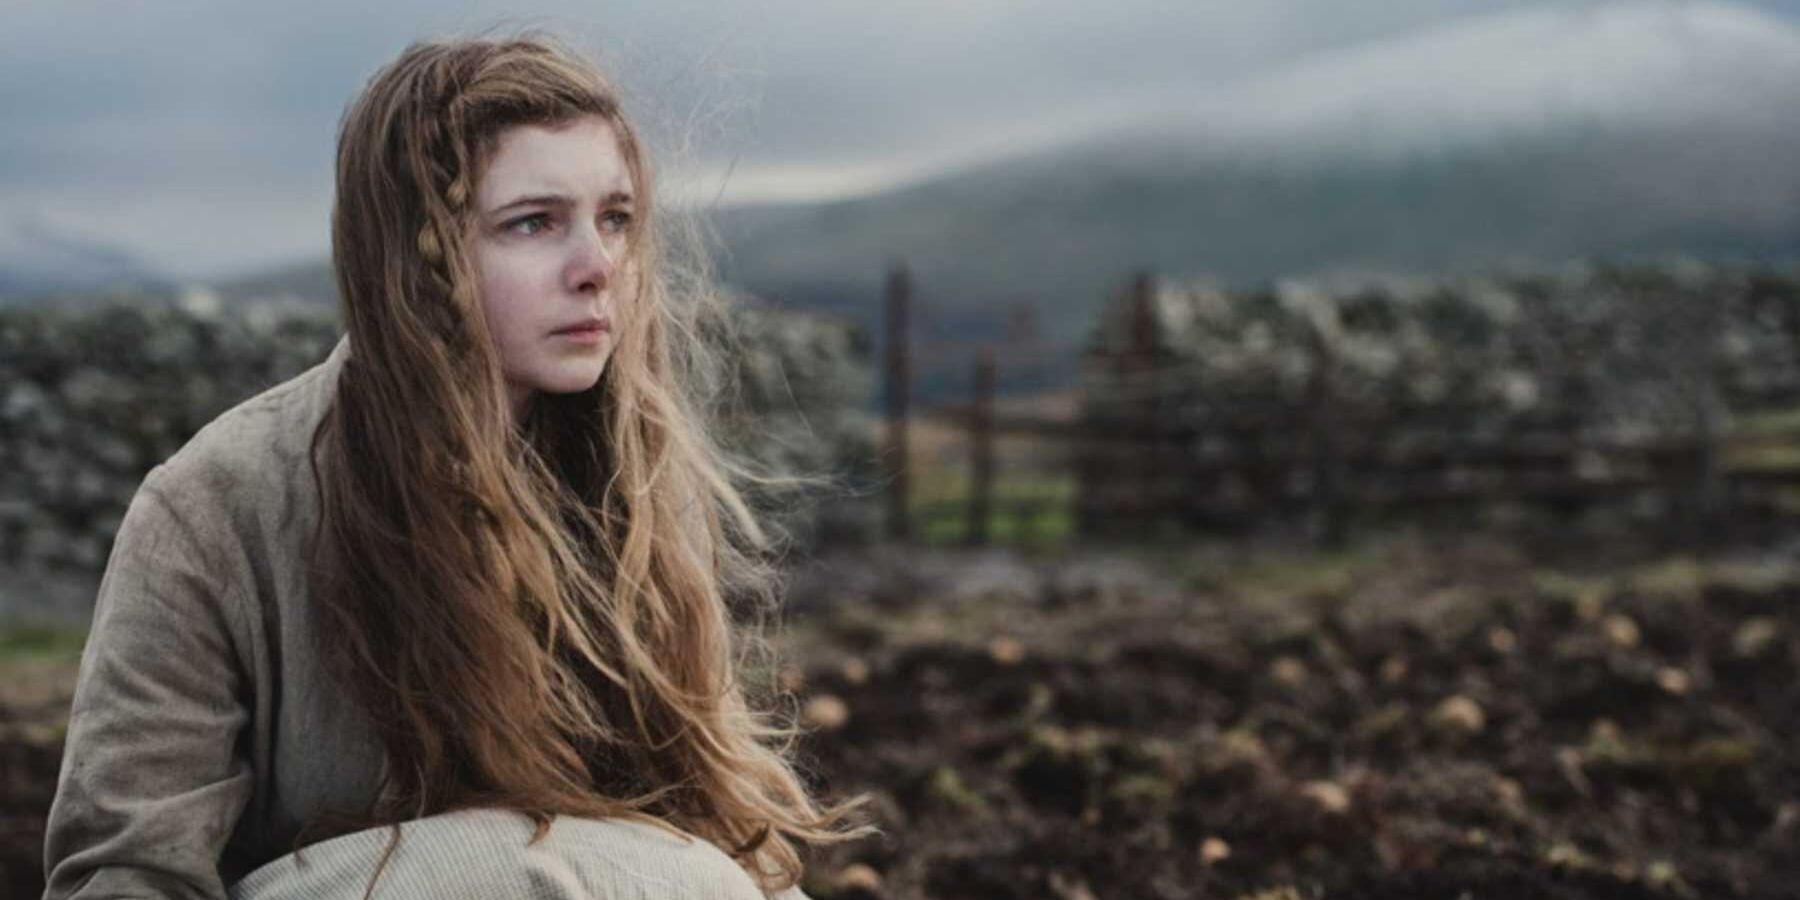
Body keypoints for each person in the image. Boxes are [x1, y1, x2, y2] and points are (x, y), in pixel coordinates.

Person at [42, 33, 864, 900]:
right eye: (533, 223)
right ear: (416, 256)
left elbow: (718, 837)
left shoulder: (641, 489)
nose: (599, 268)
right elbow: (125, 875)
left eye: (615, 218)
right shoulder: (213, 509)